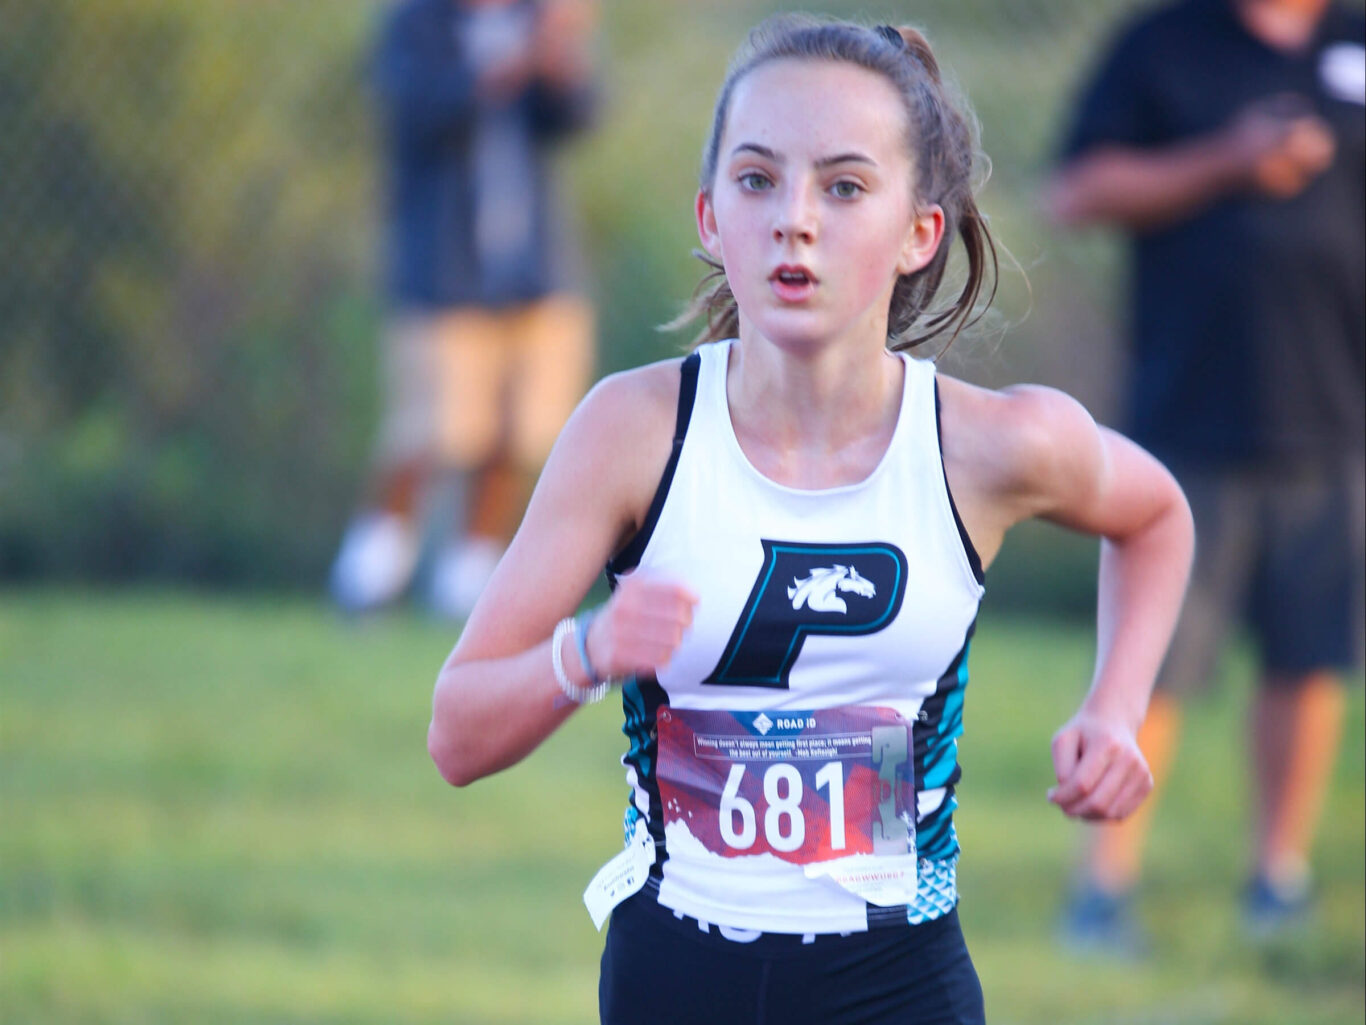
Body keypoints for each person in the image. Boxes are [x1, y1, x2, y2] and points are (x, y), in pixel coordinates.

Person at [428, 15, 1193, 1024]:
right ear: (709, 216)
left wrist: (1113, 704)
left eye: (843, 186)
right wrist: (587, 648)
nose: (794, 218)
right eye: (757, 180)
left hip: (899, 979)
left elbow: (1155, 514)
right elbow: (457, 732)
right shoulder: (632, 431)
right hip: (675, 974)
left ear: (919, 231)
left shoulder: (987, 445)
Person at [1046, 0, 1364, 952]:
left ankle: (1279, 879)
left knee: (1308, 661)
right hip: (1189, 427)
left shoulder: (1355, 40)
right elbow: (1076, 191)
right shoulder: (1162, 44)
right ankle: (1101, 892)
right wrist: (1226, 161)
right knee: (1154, 669)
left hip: (1338, 419)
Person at [330, 0, 598, 617]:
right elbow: (423, 114)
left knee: (520, 431)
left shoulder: (538, 18)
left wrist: (560, 53)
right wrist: (517, 59)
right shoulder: (418, 22)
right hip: (444, 267)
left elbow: (578, 116)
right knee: (429, 431)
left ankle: (467, 583)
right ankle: (367, 577)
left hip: (534, 264)